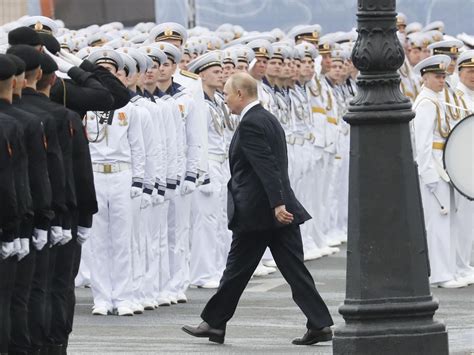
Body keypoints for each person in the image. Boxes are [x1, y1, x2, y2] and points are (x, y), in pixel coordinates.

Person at [182, 72, 333, 345]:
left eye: (227, 94)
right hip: (274, 211)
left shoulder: (251, 123)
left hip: (260, 213)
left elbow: (267, 167)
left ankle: (214, 324)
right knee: (292, 270)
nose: (224, 100)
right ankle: (319, 324)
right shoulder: (266, 118)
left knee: (237, 270)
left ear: (240, 94)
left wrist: (277, 204)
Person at [412, 54, 466, 288]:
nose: (441, 80)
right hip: (434, 167)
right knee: (438, 222)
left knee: (449, 220)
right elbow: (422, 144)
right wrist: (428, 174)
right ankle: (441, 274)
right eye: (437, 76)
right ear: (424, 77)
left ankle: (451, 269)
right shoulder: (426, 103)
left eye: (443, 76)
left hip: (444, 166)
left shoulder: (437, 99)